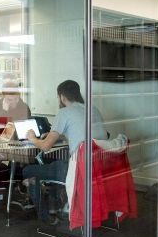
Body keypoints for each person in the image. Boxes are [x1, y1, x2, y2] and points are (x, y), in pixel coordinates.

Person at [22, 79, 107, 223]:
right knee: (58, 164)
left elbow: (45, 147)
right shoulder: (93, 109)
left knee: (28, 171)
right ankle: (55, 207)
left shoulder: (65, 112)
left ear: (61, 96)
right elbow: (84, 133)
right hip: (98, 166)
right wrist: (58, 135)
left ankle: (45, 217)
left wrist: (32, 138)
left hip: (79, 170)